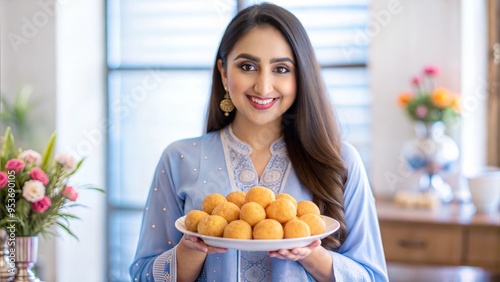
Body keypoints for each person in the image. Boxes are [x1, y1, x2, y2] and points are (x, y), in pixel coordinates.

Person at [130, 3, 388, 281]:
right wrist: (192, 248)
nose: (263, 86)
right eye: (248, 66)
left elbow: (372, 276)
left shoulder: (341, 161)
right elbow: (143, 274)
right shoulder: (179, 158)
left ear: (301, 77)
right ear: (224, 73)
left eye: (281, 69)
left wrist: (311, 254)